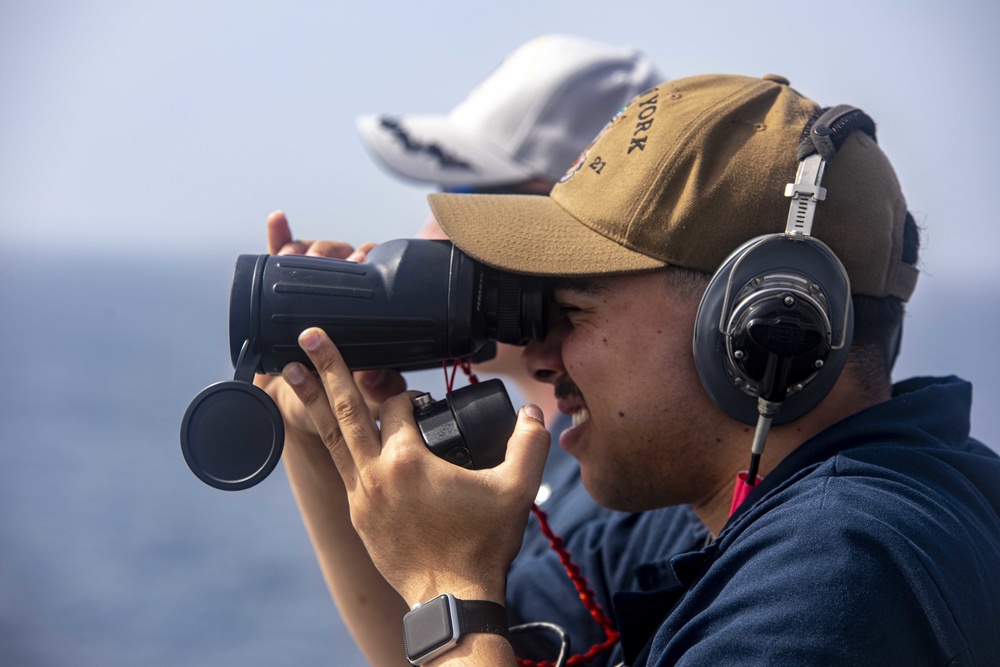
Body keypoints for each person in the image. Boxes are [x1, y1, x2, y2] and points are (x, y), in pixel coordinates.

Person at [275, 73, 1000, 665]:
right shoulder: (728, 517)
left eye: (576, 312)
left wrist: (449, 589)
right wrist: (320, 432)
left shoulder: (835, 581)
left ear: (754, 322)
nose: (539, 354)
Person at [259, 36, 697, 666]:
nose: (430, 235)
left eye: (466, 202)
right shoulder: (556, 457)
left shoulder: (645, 488)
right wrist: (309, 421)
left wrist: (446, 583)